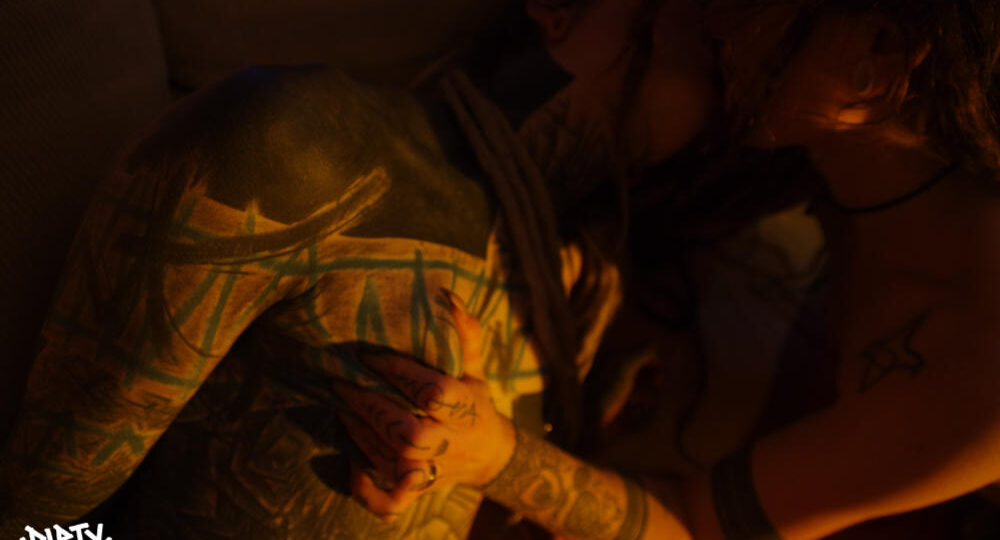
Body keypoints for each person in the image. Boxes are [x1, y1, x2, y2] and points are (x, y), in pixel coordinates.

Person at [0, 1, 722, 539]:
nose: (730, 40)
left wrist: (500, 458)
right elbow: (41, 515)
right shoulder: (298, 144)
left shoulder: (577, 299)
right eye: (709, 25)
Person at [337, 0, 1000, 539]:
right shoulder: (794, 151)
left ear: (877, 51)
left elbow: (696, 526)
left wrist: (492, 456)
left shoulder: (977, 365)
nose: (710, 12)